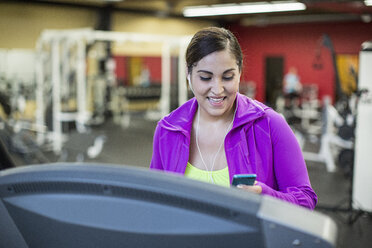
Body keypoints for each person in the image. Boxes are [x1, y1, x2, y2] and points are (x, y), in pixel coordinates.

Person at [150, 27, 317, 210]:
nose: (218, 89)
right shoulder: (167, 130)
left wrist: (263, 196)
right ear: (188, 75)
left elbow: (305, 200)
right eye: (206, 78)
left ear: (239, 73)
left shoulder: (269, 124)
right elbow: (154, 200)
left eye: (228, 77)